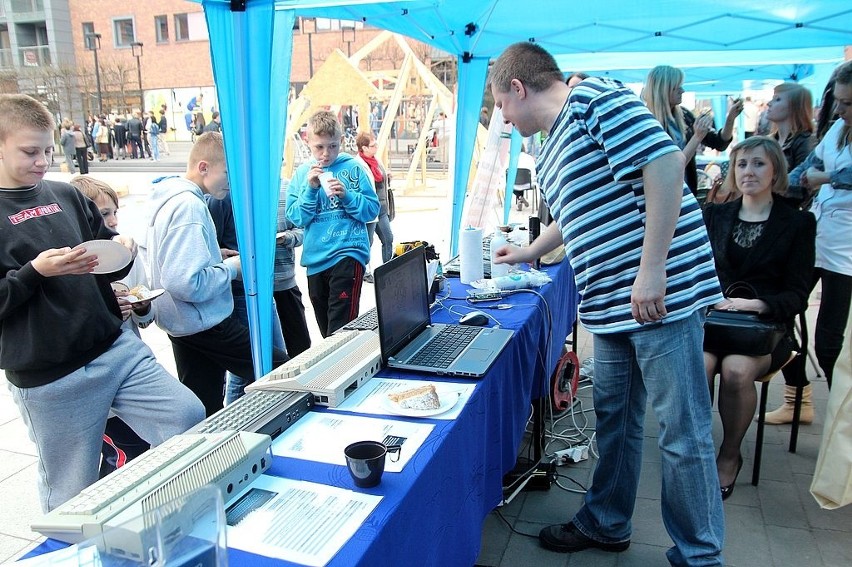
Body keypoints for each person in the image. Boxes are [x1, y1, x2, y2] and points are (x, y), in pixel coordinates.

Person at [490, 43, 725, 565]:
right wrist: (531, 250)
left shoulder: (592, 98)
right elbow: (575, 213)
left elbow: (663, 165)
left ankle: (700, 556)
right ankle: (607, 521)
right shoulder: (550, 145)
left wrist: (652, 269)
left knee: (681, 432)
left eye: (500, 105)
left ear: (518, 88)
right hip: (610, 304)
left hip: (656, 297)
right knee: (615, 419)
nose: (502, 118)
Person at [0, 94, 204, 511]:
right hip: (51, 376)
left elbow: (104, 255)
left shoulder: (65, 194)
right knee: (69, 488)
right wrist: (35, 272)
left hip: (116, 349)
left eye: (48, 149)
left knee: (187, 414)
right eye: (30, 151)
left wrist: (120, 249)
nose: (43, 161)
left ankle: (167, 516)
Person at [702, 136, 815, 499]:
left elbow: (798, 294)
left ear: (776, 170)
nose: (748, 171)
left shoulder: (797, 223)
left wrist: (754, 305)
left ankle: (729, 454)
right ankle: (696, 448)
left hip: (765, 330)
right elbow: (695, 273)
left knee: (736, 371)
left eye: (758, 163)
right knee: (698, 365)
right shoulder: (715, 214)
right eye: (742, 164)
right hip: (714, 324)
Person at [144, 132, 288, 415]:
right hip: (203, 323)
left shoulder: (168, 199)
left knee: (203, 405)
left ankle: (211, 450)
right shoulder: (189, 206)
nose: (231, 184)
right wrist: (231, 269)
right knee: (281, 368)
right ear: (203, 168)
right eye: (227, 173)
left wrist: (212, 255)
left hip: (182, 324)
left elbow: (172, 261)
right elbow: (184, 282)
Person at [68, 175, 155, 477]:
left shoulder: (124, 252)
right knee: (121, 458)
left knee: (141, 451)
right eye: (103, 214)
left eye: (115, 211)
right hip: (99, 388)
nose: (113, 220)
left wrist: (142, 307)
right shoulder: (69, 263)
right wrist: (104, 310)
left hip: (132, 368)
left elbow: (145, 318)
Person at [787, 60, 852, 392]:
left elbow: (822, 172)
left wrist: (825, 178)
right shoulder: (838, 131)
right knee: (781, 320)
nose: (839, 109)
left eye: (848, 102)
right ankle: (798, 398)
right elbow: (806, 168)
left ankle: (843, 419)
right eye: (837, 100)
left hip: (846, 253)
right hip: (820, 238)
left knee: (829, 344)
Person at [286, 110, 379, 337]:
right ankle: (335, 369)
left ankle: (342, 370)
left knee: (340, 332)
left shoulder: (353, 168)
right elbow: (296, 218)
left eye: (333, 146)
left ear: (341, 142)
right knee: (326, 331)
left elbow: (372, 210)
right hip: (316, 260)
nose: (327, 154)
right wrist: (310, 189)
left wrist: (347, 196)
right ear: (308, 142)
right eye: (320, 147)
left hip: (348, 254)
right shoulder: (301, 175)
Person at [206, 192, 287, 404]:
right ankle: (235, 416)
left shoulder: (262, 189)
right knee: (246, 367)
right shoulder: (220, 198)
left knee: (277, 356)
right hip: (240, 291)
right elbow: (211, 249)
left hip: (262, 287)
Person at [642, 65, 743, 196]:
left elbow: (719, 143)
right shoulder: (648, 123)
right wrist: (697, 137)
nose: (682, 90)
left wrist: (730, 118)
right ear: (664, 89)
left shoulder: (684, 115)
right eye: (677, 87)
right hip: (662, 196)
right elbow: (673, 168)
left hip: (687, 192)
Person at [275, 179, 311, 357]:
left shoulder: (289, 188)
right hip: (248, 291)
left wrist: (286, 238)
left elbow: (303, 229)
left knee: (300, 348)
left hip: (285, 283)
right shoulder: (235, 190)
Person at [354, 131, 394, 281]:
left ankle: (388, 267)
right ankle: (364, 271)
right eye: (372, 145)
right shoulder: (358, 164)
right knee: (367, 242)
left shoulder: (376, 161)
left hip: (382, 208)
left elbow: (381, 180)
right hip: (370, 210)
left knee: (388, 238)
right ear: (363, 148)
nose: (376, 147)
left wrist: (387, 177)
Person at [766, 83, 815, 174]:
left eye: (777, 99)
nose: (768, 103)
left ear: (794, 107)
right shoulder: (770, 140)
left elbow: (801, 183)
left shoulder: (804, 142)